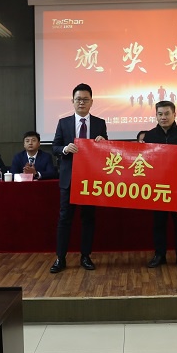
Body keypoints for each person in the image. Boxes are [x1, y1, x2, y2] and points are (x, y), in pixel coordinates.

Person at [50, 83, 108, 273]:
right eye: (78, 99)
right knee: (64, 219)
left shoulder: (99, 123)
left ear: (92, 102)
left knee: (88, 219)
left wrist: (103, 143)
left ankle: (86, 256)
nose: (81, 102)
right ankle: (60, 258)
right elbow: (55, 147)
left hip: (90, 180)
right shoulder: (63, 122)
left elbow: (106, 150)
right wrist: (65, 149)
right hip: (69, 179)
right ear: (72, 101)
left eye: (85, 99)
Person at [144, 101, 177, 270]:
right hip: (157, 186)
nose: (163, 117)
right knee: (158, 223)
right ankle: (159, 255)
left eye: (167, 114)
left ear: (174, 115)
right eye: (160, 114)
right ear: (156, 116)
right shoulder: (150, 136)